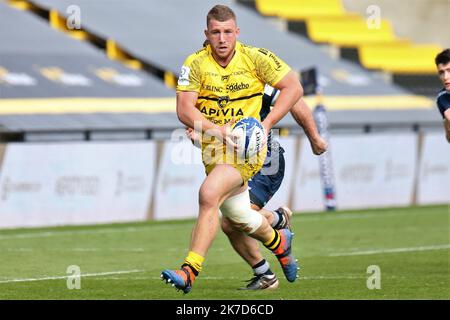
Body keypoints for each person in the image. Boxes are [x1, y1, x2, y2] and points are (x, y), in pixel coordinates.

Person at [161, 5, 302, 293]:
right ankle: (280, 241)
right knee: (238, 217)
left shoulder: (255, 58)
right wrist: (217, 131)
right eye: (216, 32)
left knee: (208, 194)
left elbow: (294, 89)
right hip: (213, 152)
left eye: (227, 32)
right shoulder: (195, 64)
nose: (222, 38)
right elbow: (184, 110)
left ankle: (189, 270)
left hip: (246, 152)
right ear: (207, 34)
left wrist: (266, 124)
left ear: (237, 32)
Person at [435, 49, 450, 143]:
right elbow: (449, 139)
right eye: (441, 72)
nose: (445, 77)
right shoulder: (442, 98)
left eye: (449, 71)